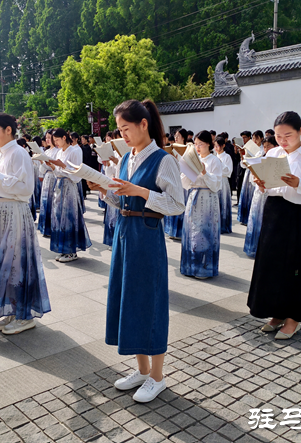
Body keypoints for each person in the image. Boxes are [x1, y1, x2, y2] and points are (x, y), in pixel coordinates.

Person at [89, 99, 184, 403]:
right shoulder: (126, 159)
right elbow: (122, 200)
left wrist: (142, 191)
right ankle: (142, 371)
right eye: (119, 130)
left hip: (147, 235)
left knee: (149, 302)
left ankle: (157, 377)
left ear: (144, 124)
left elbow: (176, 205)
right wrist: (104, 190)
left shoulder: (163, 159)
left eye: (126, 129)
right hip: (125, 232)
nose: (123, 135)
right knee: (128, 299)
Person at [247, 111, 301, 339]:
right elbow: (269, 186)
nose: (283, 140)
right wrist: (261, 184)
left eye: (288, 135)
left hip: (296, 215)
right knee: (272, 265)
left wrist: (299, 183)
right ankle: (277, 313)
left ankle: (293, 317)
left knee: (294, 266)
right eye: (279, 136)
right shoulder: (273, 152)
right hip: (273, 212)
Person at [0, 112, 51, 334]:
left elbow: (25, 190)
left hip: (14, 212)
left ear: (8, 130)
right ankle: (12, 310)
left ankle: (25, 315)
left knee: (16, 263)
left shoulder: (19, 153)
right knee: (0, 262)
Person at [180, 131, 223, 279]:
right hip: (194, 195)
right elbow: (184, 183)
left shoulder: (214, 161)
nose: (198, 147)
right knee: (191, 230)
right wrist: (186, 171)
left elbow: (217, 184)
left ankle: (204, 268)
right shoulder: (194, 159)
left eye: (201, 144)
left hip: (207, 197)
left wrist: (204, 172)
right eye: (196, 144)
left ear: (209, 144)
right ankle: (190, 266)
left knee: (204, 231)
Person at [46, 128, 91, 262]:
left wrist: (62, 166)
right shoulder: (60, 151)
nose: (56, 143)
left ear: (65, 137)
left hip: (69, 186)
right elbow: (58, 171)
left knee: (68, 217)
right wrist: (53, 166)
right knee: (58, 217)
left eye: (57, 140)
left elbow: (77, 174)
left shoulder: (74, 151)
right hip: (59, 185)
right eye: (54, 141)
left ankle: (71, 251)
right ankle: (62, 249)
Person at [243, 136, 278, 258]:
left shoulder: (278, 160)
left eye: (269, 145)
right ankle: (254, 247)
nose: (266, 148)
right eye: (265, 146)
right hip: (258, 193)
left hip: (271, 194)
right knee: (255, 219)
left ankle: (266, 249)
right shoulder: (260, 158)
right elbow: (253, 181)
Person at [238, 130, 263, 225]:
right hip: (249, 172)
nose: (255, 140)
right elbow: (243, 165)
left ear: (261, 138)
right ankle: (244, 218)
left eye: (256, 138)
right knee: (246, 194)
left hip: (256, 172)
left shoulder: (262, 149)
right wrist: (242, 155)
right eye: (253, 138)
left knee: (253, 195)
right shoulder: (249, 148)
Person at [38, 130, 58, 237]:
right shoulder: (46, 151)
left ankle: (52, 228)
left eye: (49, 137)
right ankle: (44, 228)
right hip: (47, 177)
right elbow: (42, 168)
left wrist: (45, 163)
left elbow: (53, 166)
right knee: (45, 201)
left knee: (52, 202)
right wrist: (41, 162)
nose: (47, 140)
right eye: (46, 138)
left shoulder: (57, 151)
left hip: (53, 176)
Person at [214, 136, 233, 234]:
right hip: (215, 181)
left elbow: (228, 171)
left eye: (218, 146)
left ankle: (224, 226)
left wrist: (219, 163)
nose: (216, 148)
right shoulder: (214, 156)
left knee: (223, 202)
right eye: (215, 146)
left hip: (223, 181)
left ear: (223, 146)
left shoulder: (227, 157)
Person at [235, 131, 252, 205]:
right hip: (241, 167)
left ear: (249, 137)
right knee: (239, 184)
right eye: (242, 138)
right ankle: (239, 201)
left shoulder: (251, 147)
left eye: (245, 137)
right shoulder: (242, 146)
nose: (244, 139)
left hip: (249, 168)